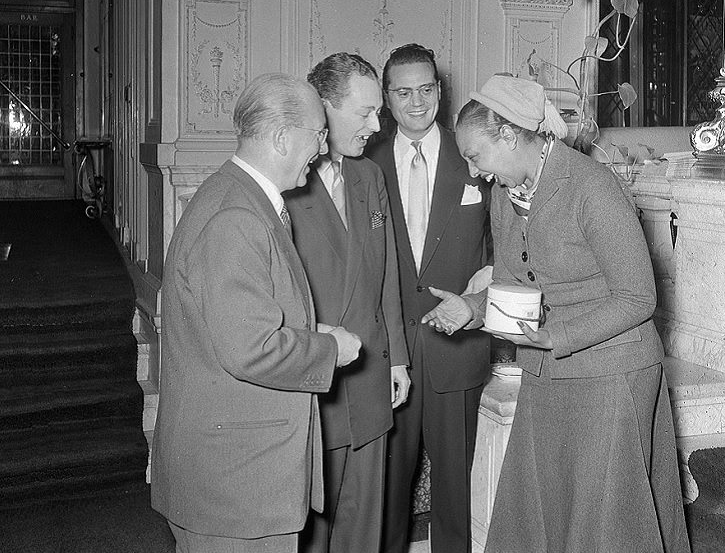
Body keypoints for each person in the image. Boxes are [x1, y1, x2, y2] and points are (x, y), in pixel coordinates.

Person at [423, 74, 691, 553]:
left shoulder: (591, 186)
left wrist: (555, 337)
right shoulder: (506, 196)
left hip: (613, 373)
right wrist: (472, 308)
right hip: (548, 375)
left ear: (509, 136)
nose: (474, 171)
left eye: (475, 155)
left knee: (604, 520)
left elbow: (638, 298)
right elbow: (513, 289)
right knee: (543, 510)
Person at [150, 72, 363, 553]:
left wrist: (308, 329)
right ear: (284, 138)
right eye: (319, 134)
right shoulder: (237, 217)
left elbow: (242, 318)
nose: (325, 147)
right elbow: (250, 349)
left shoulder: (241, 199)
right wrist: (330, 348)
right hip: (235, 486)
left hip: (239, 475)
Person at [365, 44, 492, 553]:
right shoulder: (363, 159)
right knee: (386, 489)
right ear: (386, 99)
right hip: (385, 350)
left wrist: (476, 297)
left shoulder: (473, 152)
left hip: (456, 344)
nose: (417, 102)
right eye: (403, 91)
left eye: (426, 89)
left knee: (456, 490)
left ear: (439, 90)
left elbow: (503, 248)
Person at [284, 53, 410, 553]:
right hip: (319, 386)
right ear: (323, 107)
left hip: (373, 380)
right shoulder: (287, 185)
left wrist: (398, 356)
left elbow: (388, 277)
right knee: (313, 534)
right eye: (364, 113)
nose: (376, 126)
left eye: (377, 111)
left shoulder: (369, 178)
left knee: (364, 535)